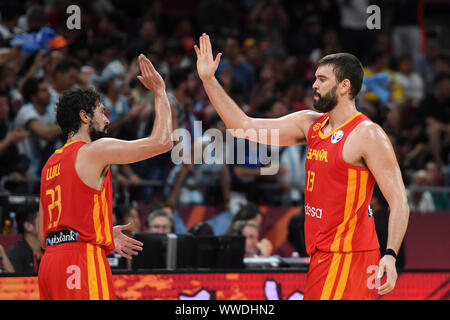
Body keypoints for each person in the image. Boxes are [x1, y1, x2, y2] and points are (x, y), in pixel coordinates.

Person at [194, 33, 409, 299]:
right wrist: (208, 80)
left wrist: (390, 254)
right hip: (323, 253)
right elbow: (242, 127)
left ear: (344, 86)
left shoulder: (368, 135)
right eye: (315, 78)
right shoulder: (309, 124)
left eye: (322, 79)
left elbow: (399, 200)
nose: (314, 85)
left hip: (348, 255)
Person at [37, 54, 173, 300]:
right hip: (80, 261)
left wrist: (102, 233)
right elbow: (163, 142)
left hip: (49, 265)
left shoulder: (49, 164)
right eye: (102, 112)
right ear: (84, 116)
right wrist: (160, 92)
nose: (108, 120)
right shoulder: (95, 150)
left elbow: (43, 238)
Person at [6, 202, 42, 274]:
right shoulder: (14, 254)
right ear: (28, 226)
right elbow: (15, 283)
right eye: (43, 219)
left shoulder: (49, 250)